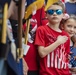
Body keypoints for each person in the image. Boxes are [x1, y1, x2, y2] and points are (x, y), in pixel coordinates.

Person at [34, 1, 71, 75]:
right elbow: (42, 53)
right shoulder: (41, 30)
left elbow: (66, 57)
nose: (54, 14)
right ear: (46, 15)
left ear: (63, 15)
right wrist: (58, 42)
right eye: (51, 11)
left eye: (58, 11)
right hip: (47, 73)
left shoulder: (66, 35)